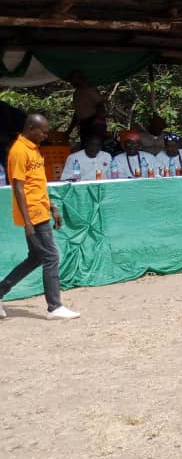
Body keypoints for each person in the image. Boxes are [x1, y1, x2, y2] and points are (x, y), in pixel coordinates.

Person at [0, 114, 79, 320]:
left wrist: (52, 206)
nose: (45, 135)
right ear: (31, 128)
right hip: (32, 214)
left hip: (41, 209)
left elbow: (36, 184)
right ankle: (55, 306)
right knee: (51, 257)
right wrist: (28, 222)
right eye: (43, 131)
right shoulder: (19, 150)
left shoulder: (34, 149)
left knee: (36, 258)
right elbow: (18, 188)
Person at [65, 70, 103, 144]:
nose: (71, 81)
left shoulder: (90, 90)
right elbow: (77, 112)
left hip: (94, 123)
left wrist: (98, 123)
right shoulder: (76, 93)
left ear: (81, 78)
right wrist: (69, 130)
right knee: (85, 146)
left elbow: (100, 105)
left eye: (73, 78)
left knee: (94, 146)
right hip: (83, 124)